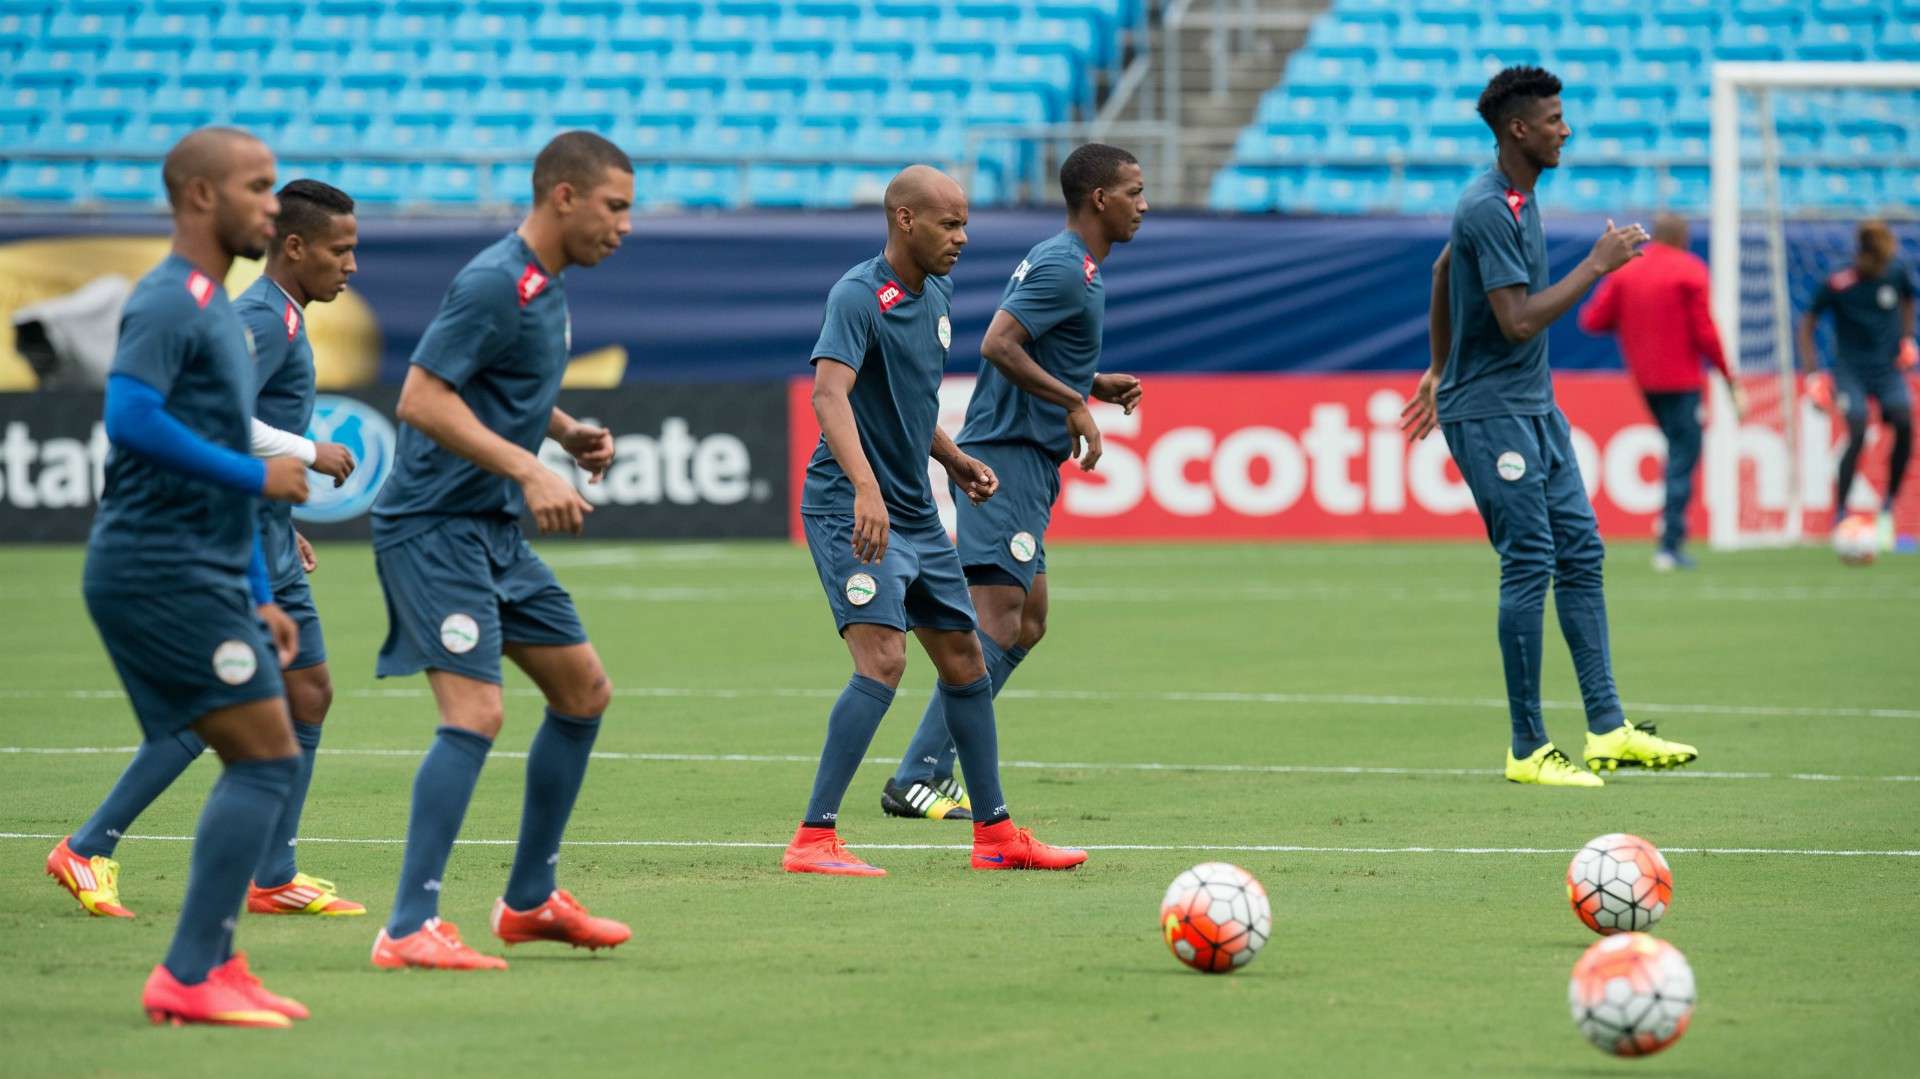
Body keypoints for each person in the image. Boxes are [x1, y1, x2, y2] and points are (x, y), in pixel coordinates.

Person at [47, 179, 365, 921]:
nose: (351, 266)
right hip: (225, 540)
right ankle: (88, 845)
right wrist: (307, 451)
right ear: (295, 247)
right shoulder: (259, 317)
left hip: (267, 533)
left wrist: (281, 514)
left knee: (309, 690)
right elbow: (217, 422)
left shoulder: (283, 315)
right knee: (224, 703)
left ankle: (274, 874)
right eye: (341, 250)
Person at [368, 132, 634, 970]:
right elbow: (421, 397)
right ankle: (407, 926)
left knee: (583, 691)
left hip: (489, 530)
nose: (625, 225)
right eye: (615, 206)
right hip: (432, 524)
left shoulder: (545, 286)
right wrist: (528, 467)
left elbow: (502, 381)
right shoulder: (495, 280)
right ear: (564, 196)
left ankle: (528, 900)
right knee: (476, 712)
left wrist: (567, 432)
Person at [66, 127, 313, 1026]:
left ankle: (218, 964)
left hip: (206, 567)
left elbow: (219, 458)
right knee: (266, 755)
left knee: (264, 750)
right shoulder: (170, 299)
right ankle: (188, 972)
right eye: (257, 187)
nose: (272, 205)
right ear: (202, 195)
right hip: (154, 566)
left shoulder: (216, 307)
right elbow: (131, 418)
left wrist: (259, 593)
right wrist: (258, 473)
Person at [783, 164, 1087, 876]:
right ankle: (813, 839)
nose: (963, 237)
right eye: (949, 224)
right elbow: (829, 396)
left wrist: (952, 459)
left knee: (965, 659)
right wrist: (866, 489)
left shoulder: (939, 293)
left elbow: (909, 405)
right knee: (883, 661)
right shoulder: (859, 295)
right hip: (850, 505)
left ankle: (996, 835)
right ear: (904, 220)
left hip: (914, 509)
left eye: (965, 223)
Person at [1401, 67, 1700, 788]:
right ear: (1519, 129)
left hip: (1534, 406)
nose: (1566, 130)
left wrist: (1437, 366)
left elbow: (1443, 271)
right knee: (1531, 560)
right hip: (1491, 411)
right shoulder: (1487, 206)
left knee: (1583, 552)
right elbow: (1517, 320)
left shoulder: (1516, 197)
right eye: (1554, 119)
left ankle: (1607, 728)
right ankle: (1528, 746)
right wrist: (1596, 266)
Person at [881, 143, 1147, 821]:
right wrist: (1074, 402)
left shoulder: (1074, 265)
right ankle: (919, 774)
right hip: (1007, 455)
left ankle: (934, 766)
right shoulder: (1064, 266)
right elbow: (998, 343)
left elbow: (1033, 348)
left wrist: (1091, 381)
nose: (1143, 205)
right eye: (1134, 192)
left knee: (1028, 621)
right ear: (1100, 199)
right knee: (997, 620)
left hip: (1029, 459)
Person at [1578, 213, 1745, 571]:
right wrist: (1728, 376)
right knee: (1684, 455)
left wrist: (1636, 322)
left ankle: (1669, 538)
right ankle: (1670, 544)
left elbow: (1593, 320)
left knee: (1677, 451)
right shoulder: (1689, 270)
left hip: (1645, 380)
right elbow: (1705, 330)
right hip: (1682, 380)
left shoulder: (1627, 271)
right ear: (1683, 237)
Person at [1797, 219, 1916, 549]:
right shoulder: (1839, 282)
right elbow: (1807, 323)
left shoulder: (1895, 273)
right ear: (1862, 255)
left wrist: (1907, 339)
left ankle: (1888, 509)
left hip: (1887, 369)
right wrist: (1813, 374)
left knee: (1904, 422)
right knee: (1858, 427)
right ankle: (1841, 513)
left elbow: (1908, 301)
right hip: (1850, 371)